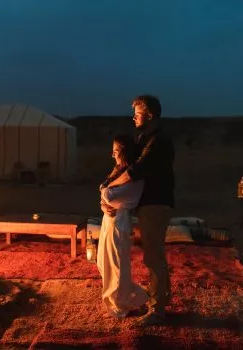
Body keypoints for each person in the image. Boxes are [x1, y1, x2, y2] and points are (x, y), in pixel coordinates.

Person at [105, 95, 175, 326]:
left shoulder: (158, 141)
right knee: (153, 254)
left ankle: (158, 310)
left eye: (137, 113)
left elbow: (136, 171)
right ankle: (162, 300)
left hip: (156, 203)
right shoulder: (145, 138)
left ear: (150, 115)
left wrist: (108, 188)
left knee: (153, 256)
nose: (133, 117)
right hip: (149, 203)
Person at [98, 134, 149, 318]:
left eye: (116, 151)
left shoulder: (134, 178)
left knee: (116, 265)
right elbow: (105, 192)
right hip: (108, 220)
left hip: (119, 221)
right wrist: (104, 199)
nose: (113, 155)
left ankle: (121, 304)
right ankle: (131, 297)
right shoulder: (119, 172)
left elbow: (109, 195)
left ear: (125, 152)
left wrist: (105, 194)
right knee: (103, 262)